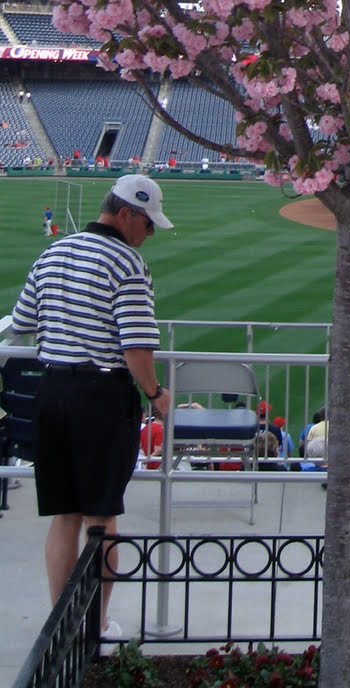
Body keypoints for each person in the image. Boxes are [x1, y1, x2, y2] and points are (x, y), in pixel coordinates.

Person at [8, 173, 173, 642]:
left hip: (53, 392)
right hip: (100, 400)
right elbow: (136, 348)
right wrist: (155, 394)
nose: (150, 233)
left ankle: (61, 627)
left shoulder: (52, 253)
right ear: (126, 215)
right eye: (148, 223)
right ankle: (94, 628)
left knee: (64, 517)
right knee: (101, 518)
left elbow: (21, 322)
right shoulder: (128, 263)